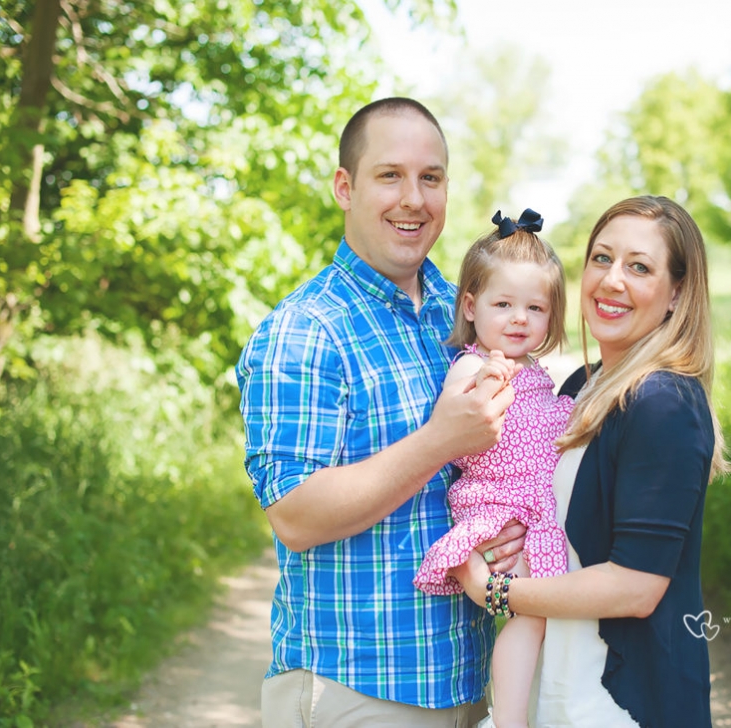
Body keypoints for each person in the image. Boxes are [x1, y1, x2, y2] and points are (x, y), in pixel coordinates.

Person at [235, 97, 526, 728]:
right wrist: (438, 441)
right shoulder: (306, 329)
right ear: (345, 187)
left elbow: (487, 469)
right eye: (389, 175)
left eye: (431, 178)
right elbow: (295, 516)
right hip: (357, 689)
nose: (413, 199)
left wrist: (507, 527)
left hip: (470, 680)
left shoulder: (465, 313)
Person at [451, 195, 731, 728]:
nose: (612, 280)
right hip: (560, 681)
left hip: (623, 701)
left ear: (676, 294)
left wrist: (494, 589)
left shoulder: (663, 403)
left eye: (640, 267)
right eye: (602, 258)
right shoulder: (581, 387)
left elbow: (636, 586)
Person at [413, 209, 574, 728]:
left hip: (534, 509)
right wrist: (485, 382)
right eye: (503, 304)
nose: (519, 318)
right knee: (530, 615)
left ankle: (524, 710)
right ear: (471, 306)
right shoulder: (471, 364)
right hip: (497, 504)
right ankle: (509, 719)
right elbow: (453, 426)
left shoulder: (536, 372)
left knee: (541, 617)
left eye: (535, 307)